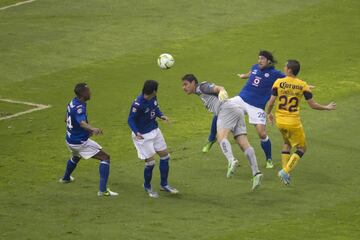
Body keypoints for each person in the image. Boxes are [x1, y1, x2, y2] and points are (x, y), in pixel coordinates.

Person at [203, 51, 285, 169]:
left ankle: (269, 159)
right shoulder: (256, 67)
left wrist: (305, 86)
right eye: (259, 58)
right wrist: (244, 76)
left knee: (262, 133)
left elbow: (289, 80)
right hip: (241, 99)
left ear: (268, 61)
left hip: (257, 107)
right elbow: (252, 72)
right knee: (221, 109)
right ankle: (211, 139)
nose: (259, 61)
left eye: (262, 59)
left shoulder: (275, 74)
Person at [182, 74, 263, 191]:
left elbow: (217, 88)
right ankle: (256, 173)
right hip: (236, 110)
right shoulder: (200, 91)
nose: (184, 87)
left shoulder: (201, 87)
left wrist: (221, 90)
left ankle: (231, 160)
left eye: (186, 84)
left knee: (221, 137)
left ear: (193, 82)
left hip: (226, 109)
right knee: (243, 142)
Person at [266, 60, 336, 185]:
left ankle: (285, 174)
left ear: (289, 70)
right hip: (293, 122)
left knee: (287, 143)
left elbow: (271, 102)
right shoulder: (303, 85)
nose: (284, 67)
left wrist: (269, 113)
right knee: (302, 148)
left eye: (285, 66)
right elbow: (313, 105)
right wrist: (327, 107)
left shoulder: (278, 82)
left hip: (280, 121)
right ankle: (285, 171)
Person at [59, 83, 118, 197]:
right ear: (82, 94)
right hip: (80, 142)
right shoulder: (80, 107)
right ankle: (103, 190)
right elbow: (81, 122)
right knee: (105, 157)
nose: (90, 92)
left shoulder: (73, 102)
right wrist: (92, 129)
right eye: (88, 91)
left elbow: (66, 119)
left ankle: (66, 178)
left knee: (76, 156)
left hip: (70, 139)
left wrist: (84, 131)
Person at [128, 80, 178, 198]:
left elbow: (155, 109)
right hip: (142, 136)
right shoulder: (138, 104)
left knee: (165, 156)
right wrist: (137, 132)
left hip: (155, 131)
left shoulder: (153, 98)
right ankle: (147, 186)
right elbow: (130, 119)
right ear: (154, 91)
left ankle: (164, 184)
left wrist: (161, 115)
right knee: (151, 163)